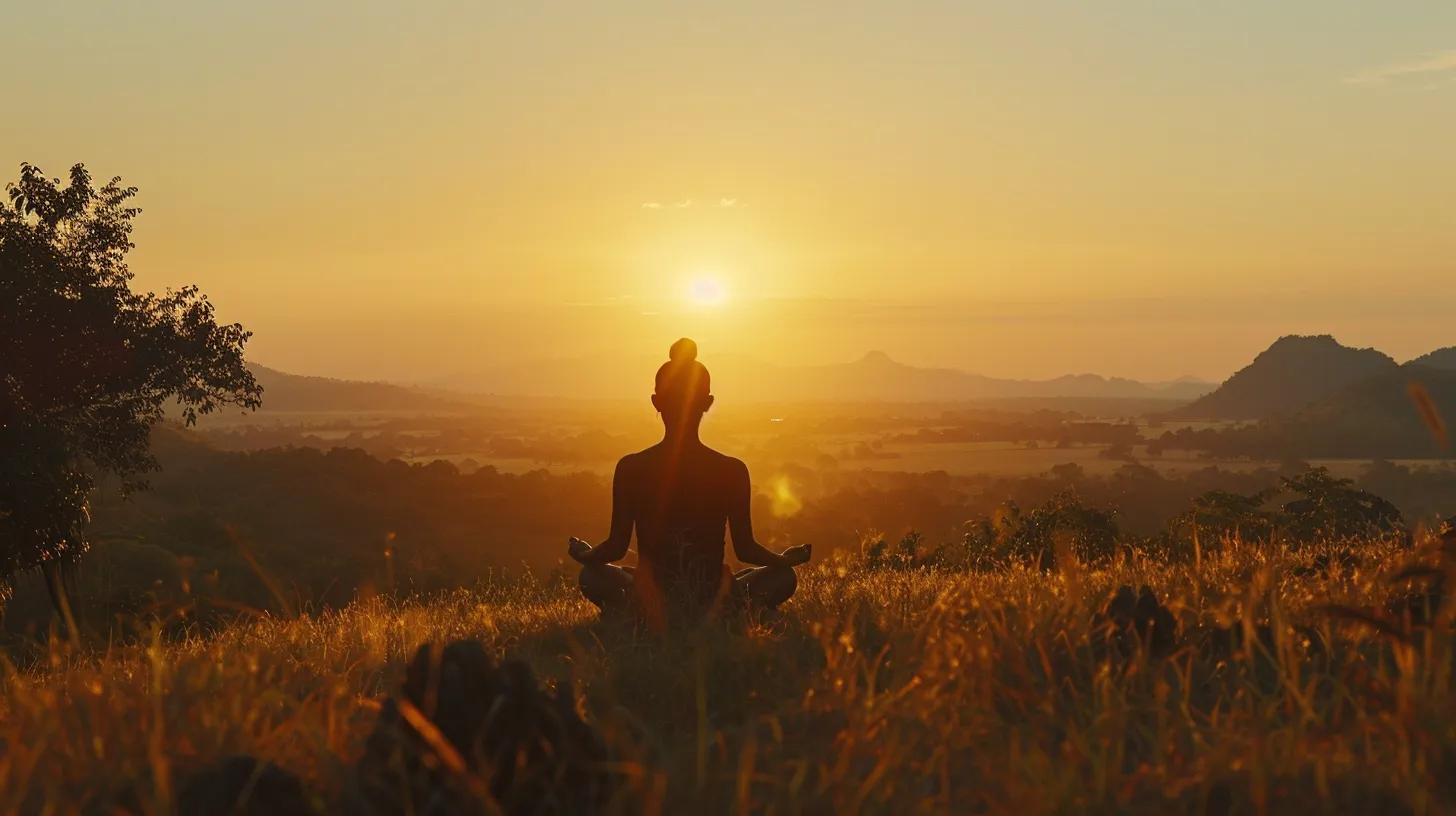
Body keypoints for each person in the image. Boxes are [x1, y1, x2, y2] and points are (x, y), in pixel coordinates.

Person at [568, 338, 810, 626]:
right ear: (707, 404)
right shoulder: (731, 470)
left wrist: (586, 555)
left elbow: (616, 547)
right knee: (782, 578)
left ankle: (637, 612)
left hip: (652, 596)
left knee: (592, 576)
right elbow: (745, 549)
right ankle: (732, 611)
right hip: (711, 597)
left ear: (656, 402)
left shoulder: (632, 467)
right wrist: (783, 561)